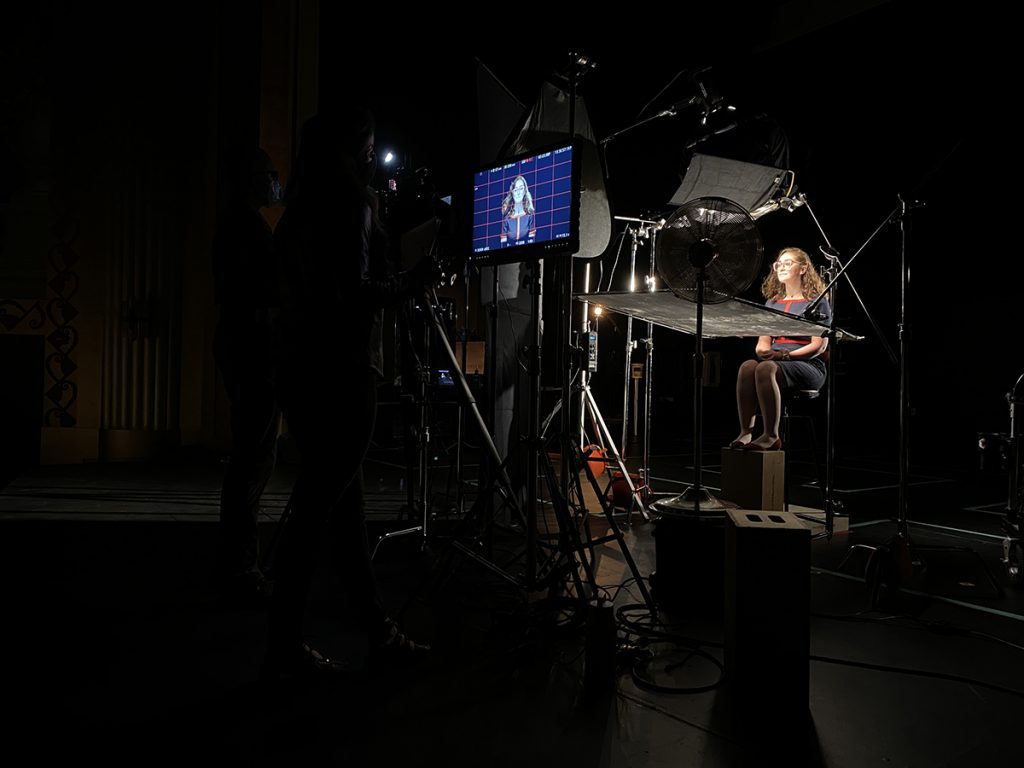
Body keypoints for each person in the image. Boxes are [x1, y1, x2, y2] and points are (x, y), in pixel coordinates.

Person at [264, 106, 431, 680]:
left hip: (300, 375)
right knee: (318, 513)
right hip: (343, 373)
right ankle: (284, 646)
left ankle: (375, 631)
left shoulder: (297, 213)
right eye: (369, 146)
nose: (373, 156)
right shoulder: (354, 205)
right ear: (354, 149)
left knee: (341, 509)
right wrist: (414, 280)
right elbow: (355, 295)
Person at [211, 146, 282, 604]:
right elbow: (265, 293)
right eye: (270, 174)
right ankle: (242, 565)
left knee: (248, 458)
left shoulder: (234, 224)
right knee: (253, 461)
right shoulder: (249, 229)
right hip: (252, 353)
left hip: (239, 348)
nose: (277, 182)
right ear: (253, 179)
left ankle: (237, 560)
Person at [730, 247, 831, 451]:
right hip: (775, 362)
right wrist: (764, 352)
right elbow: (763, 343)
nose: (781, 267)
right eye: (778, 264)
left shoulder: (817, 303)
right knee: (748, 366)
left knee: (766, 368)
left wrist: (783, 355)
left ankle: (771, 435)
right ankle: (746, 432)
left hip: (808, 365)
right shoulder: (772, 303)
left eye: (788, 263)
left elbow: (818, 346)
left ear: (803, 269)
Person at [499, 174, 536, 245]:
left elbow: (533, 238)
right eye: (516, 189)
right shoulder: (507, 217)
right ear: (512, 192)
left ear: (525, 191)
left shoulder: (530, 214)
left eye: (521, 188)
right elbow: (503, 242)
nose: (518, 193)